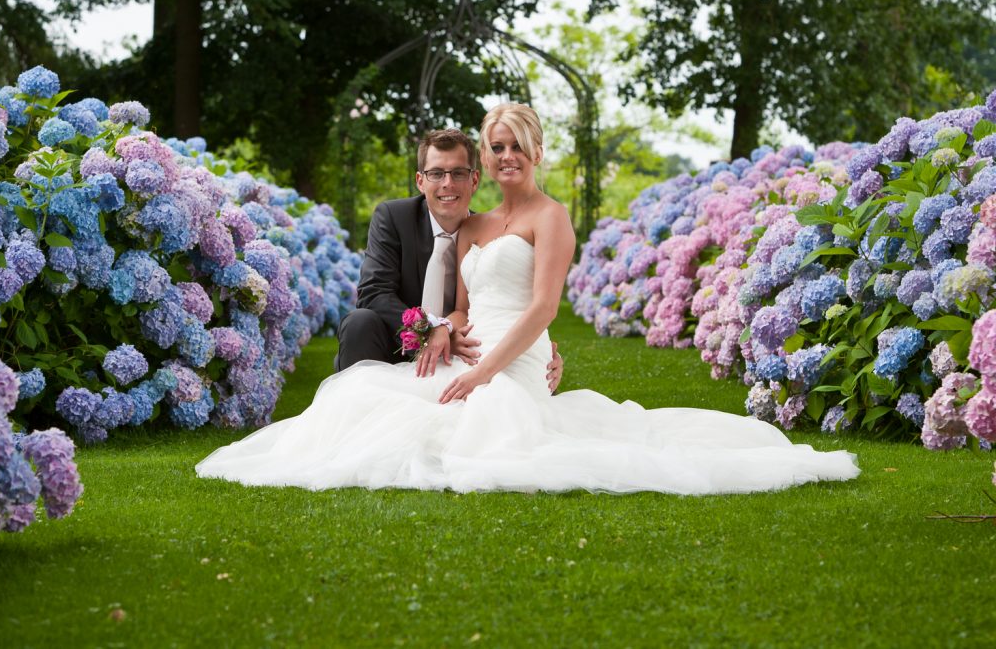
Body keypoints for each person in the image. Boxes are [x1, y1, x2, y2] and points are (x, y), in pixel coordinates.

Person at [196, 103, 859, 494]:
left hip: (511, 361)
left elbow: (542, 307)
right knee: (375, 402)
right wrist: (448, 333)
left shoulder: (553, 217)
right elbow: (460, 305)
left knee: (484, 428)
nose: (506, 155)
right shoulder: (476, 225)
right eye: (497, 145)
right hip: (468, 352)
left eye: (514, 146)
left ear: (535, 150)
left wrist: (488, 367)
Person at [334, 128, 563, 392]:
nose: (447, 183)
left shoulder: (487, 235)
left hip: (461, 350)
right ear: (421, 181)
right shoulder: (394, 217)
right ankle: (354, 405)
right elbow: (374, 293)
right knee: (359, 321)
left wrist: (542, 352)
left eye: (458, 173)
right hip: (396, 346)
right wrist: (431, 331)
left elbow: (505, 300)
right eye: (436, 173)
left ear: (474, 179)